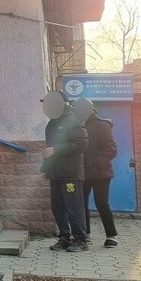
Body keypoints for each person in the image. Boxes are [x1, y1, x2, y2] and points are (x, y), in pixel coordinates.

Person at [41, 90, 90, 252]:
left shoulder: (73, 121)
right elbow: (49, 150)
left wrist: (57, 149)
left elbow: (82, 144)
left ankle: (80, 240)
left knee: (74, 207)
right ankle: (64, 237)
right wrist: (46, 168)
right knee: (57, 207)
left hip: (71, 175)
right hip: (56, 174)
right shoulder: (51, 125)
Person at [73, 98, 119, 248]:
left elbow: (111, 149)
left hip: (101, 173)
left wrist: (94, 162)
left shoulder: (102, 125)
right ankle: (85, 234)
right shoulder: (76, 126)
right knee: (81, 204)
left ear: (91, 110)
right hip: (82, 173)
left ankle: (111, 235)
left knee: (102, 203)